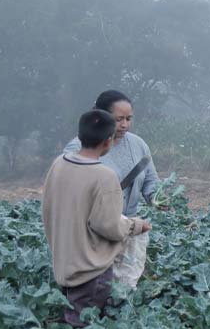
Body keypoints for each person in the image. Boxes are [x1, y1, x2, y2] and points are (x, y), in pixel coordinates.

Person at [41, 109, 151, 327]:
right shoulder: (104, 176)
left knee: (71, 318)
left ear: (80, 136)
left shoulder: (59, 164)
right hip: (91, 271)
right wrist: (136, 225)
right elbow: (108, 225)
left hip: (65, 261)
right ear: (108, 141)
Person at [64, 90, 159, 289]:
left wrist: (156, 198)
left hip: (126, 229)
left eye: (128, 119)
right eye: (118, 119)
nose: (124, 125)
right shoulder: (78, 149)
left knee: (125, 288)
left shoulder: (138, 145)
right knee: (94, 289)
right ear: (101, 116)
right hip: (93, 234)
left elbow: (150, 180)